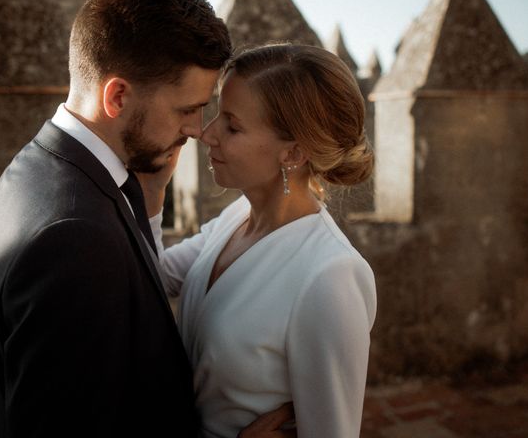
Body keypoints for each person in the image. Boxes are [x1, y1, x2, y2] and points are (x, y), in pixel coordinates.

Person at [0, 0, 231, 437]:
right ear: (117, 96)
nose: (198, 129)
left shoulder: (41, 168)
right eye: (187, 109)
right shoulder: (73, 238)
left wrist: (151, 199)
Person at [141, 44, 378, 438]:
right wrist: (153, 192)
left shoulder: (330, 277)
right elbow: (155, 276)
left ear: (294, 152)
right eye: (216, 113)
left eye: (232, 126)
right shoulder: (236, 217)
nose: (206, 133)